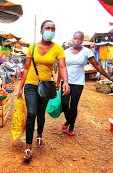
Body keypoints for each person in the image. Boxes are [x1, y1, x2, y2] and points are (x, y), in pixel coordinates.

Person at [17, 20, 70, 160]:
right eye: (47, 28)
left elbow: (63, 67)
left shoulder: (58, 48)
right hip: (30, 84)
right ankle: (28, 146)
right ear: (41, 31)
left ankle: (39, 134)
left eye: (53, 29)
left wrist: (66, 82)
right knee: (31, 113)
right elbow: (27, 68)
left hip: (46, 86)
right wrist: (21, 87)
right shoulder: (32, 48)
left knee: (41, 114)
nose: (50, 31)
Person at [57, 31, 113, 136]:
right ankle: (68, 120)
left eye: (80, 39)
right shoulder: (65, 52)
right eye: (75, 38)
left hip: (78, 83)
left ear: (82, 41)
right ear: (72, 39)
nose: (77, 41)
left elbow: (96, 65)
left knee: (73, 105)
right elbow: (62, 68)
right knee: (65, 104)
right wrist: (58, 82)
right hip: (65, 82)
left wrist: (108, 77)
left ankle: (71, 125)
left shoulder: (87, 52)